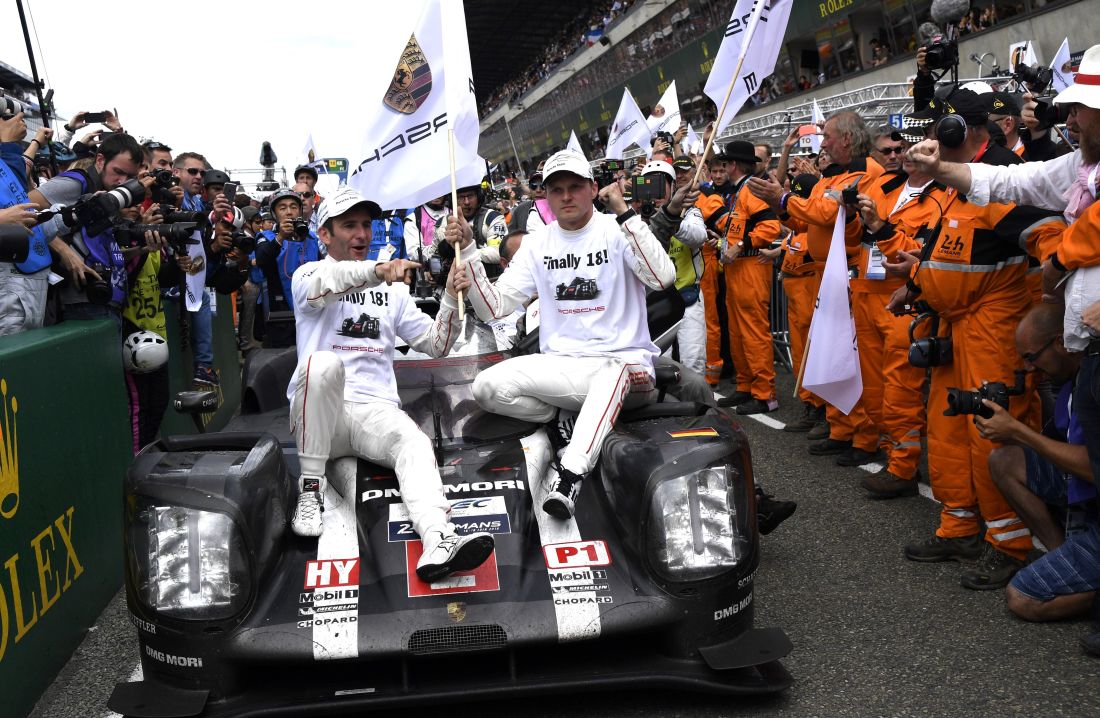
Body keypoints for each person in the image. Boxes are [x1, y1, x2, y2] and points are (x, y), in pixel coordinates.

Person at [887, 89, 1066, 588]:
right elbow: (955, 256)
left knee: (991, 433)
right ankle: (959, 526)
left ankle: (1010, 545)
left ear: (958, 133)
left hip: (995, 332)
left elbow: (1051, 243)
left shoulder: (1004, 181)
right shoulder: (953, 185)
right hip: (956, 327)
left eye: (934, 132)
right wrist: (918, 281)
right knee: (947, 431)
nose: (925, 144)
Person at [452, 149, 676, 519]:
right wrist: (471, 253)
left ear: (592, 188)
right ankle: (565, 417)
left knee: (613, 371)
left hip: (624, 367)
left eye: (575, 187)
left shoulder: (617, 228)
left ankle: (569, 473)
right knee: (486, 387)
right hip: (563, 368)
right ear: (546, 196)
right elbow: (495, 307)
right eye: (557, 190)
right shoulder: (538, 243)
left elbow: (662, 277)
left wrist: (625, 212)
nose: (567, 196)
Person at [287, 187, 495, 581]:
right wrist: (378, 271)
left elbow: (436, 344)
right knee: (322, 364)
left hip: (374, 412)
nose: (361, 234)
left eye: (366, 225)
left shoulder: (394, 293)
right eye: (349, 226)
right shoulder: (307, 276)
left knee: (414, 442)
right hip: (318, 420)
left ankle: (439, 541)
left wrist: (451, 297)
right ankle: (309, 490)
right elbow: (334, 279)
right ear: (324, 235)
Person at [748, 111, 884, 464]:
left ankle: (864, 435)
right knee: (833, 353)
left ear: (848, 140)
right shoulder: (829, 177)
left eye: (827, 137)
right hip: (829, 276)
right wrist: (779, 206)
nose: (822, 144)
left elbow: (824, 214)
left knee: (854, 360)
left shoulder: (868, 172)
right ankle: (841, 428)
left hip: (852, 274)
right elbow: (804, 219)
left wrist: (783, 198)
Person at [976, 304, 1096, 628]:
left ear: (1060, 342)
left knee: (1023, 597)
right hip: (1086, 493)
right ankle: (1063, 553)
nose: (1028, 368)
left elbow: (1093, 465)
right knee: (1005, 459)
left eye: (1032, 357)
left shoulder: (1094, 381)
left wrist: (1018, 431)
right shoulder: (1071, 377)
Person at [699, 140, 782, 414]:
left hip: (750, 268)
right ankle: (746, 386)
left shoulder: (752, 190)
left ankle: (764, 393)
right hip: (736, 270)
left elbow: (771, 227)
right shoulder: (738, 192)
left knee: (754, 332)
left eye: (725, 163)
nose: (722, 167)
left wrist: (741, 245)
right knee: (738, 333)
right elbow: (734, 228)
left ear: (733, 165)